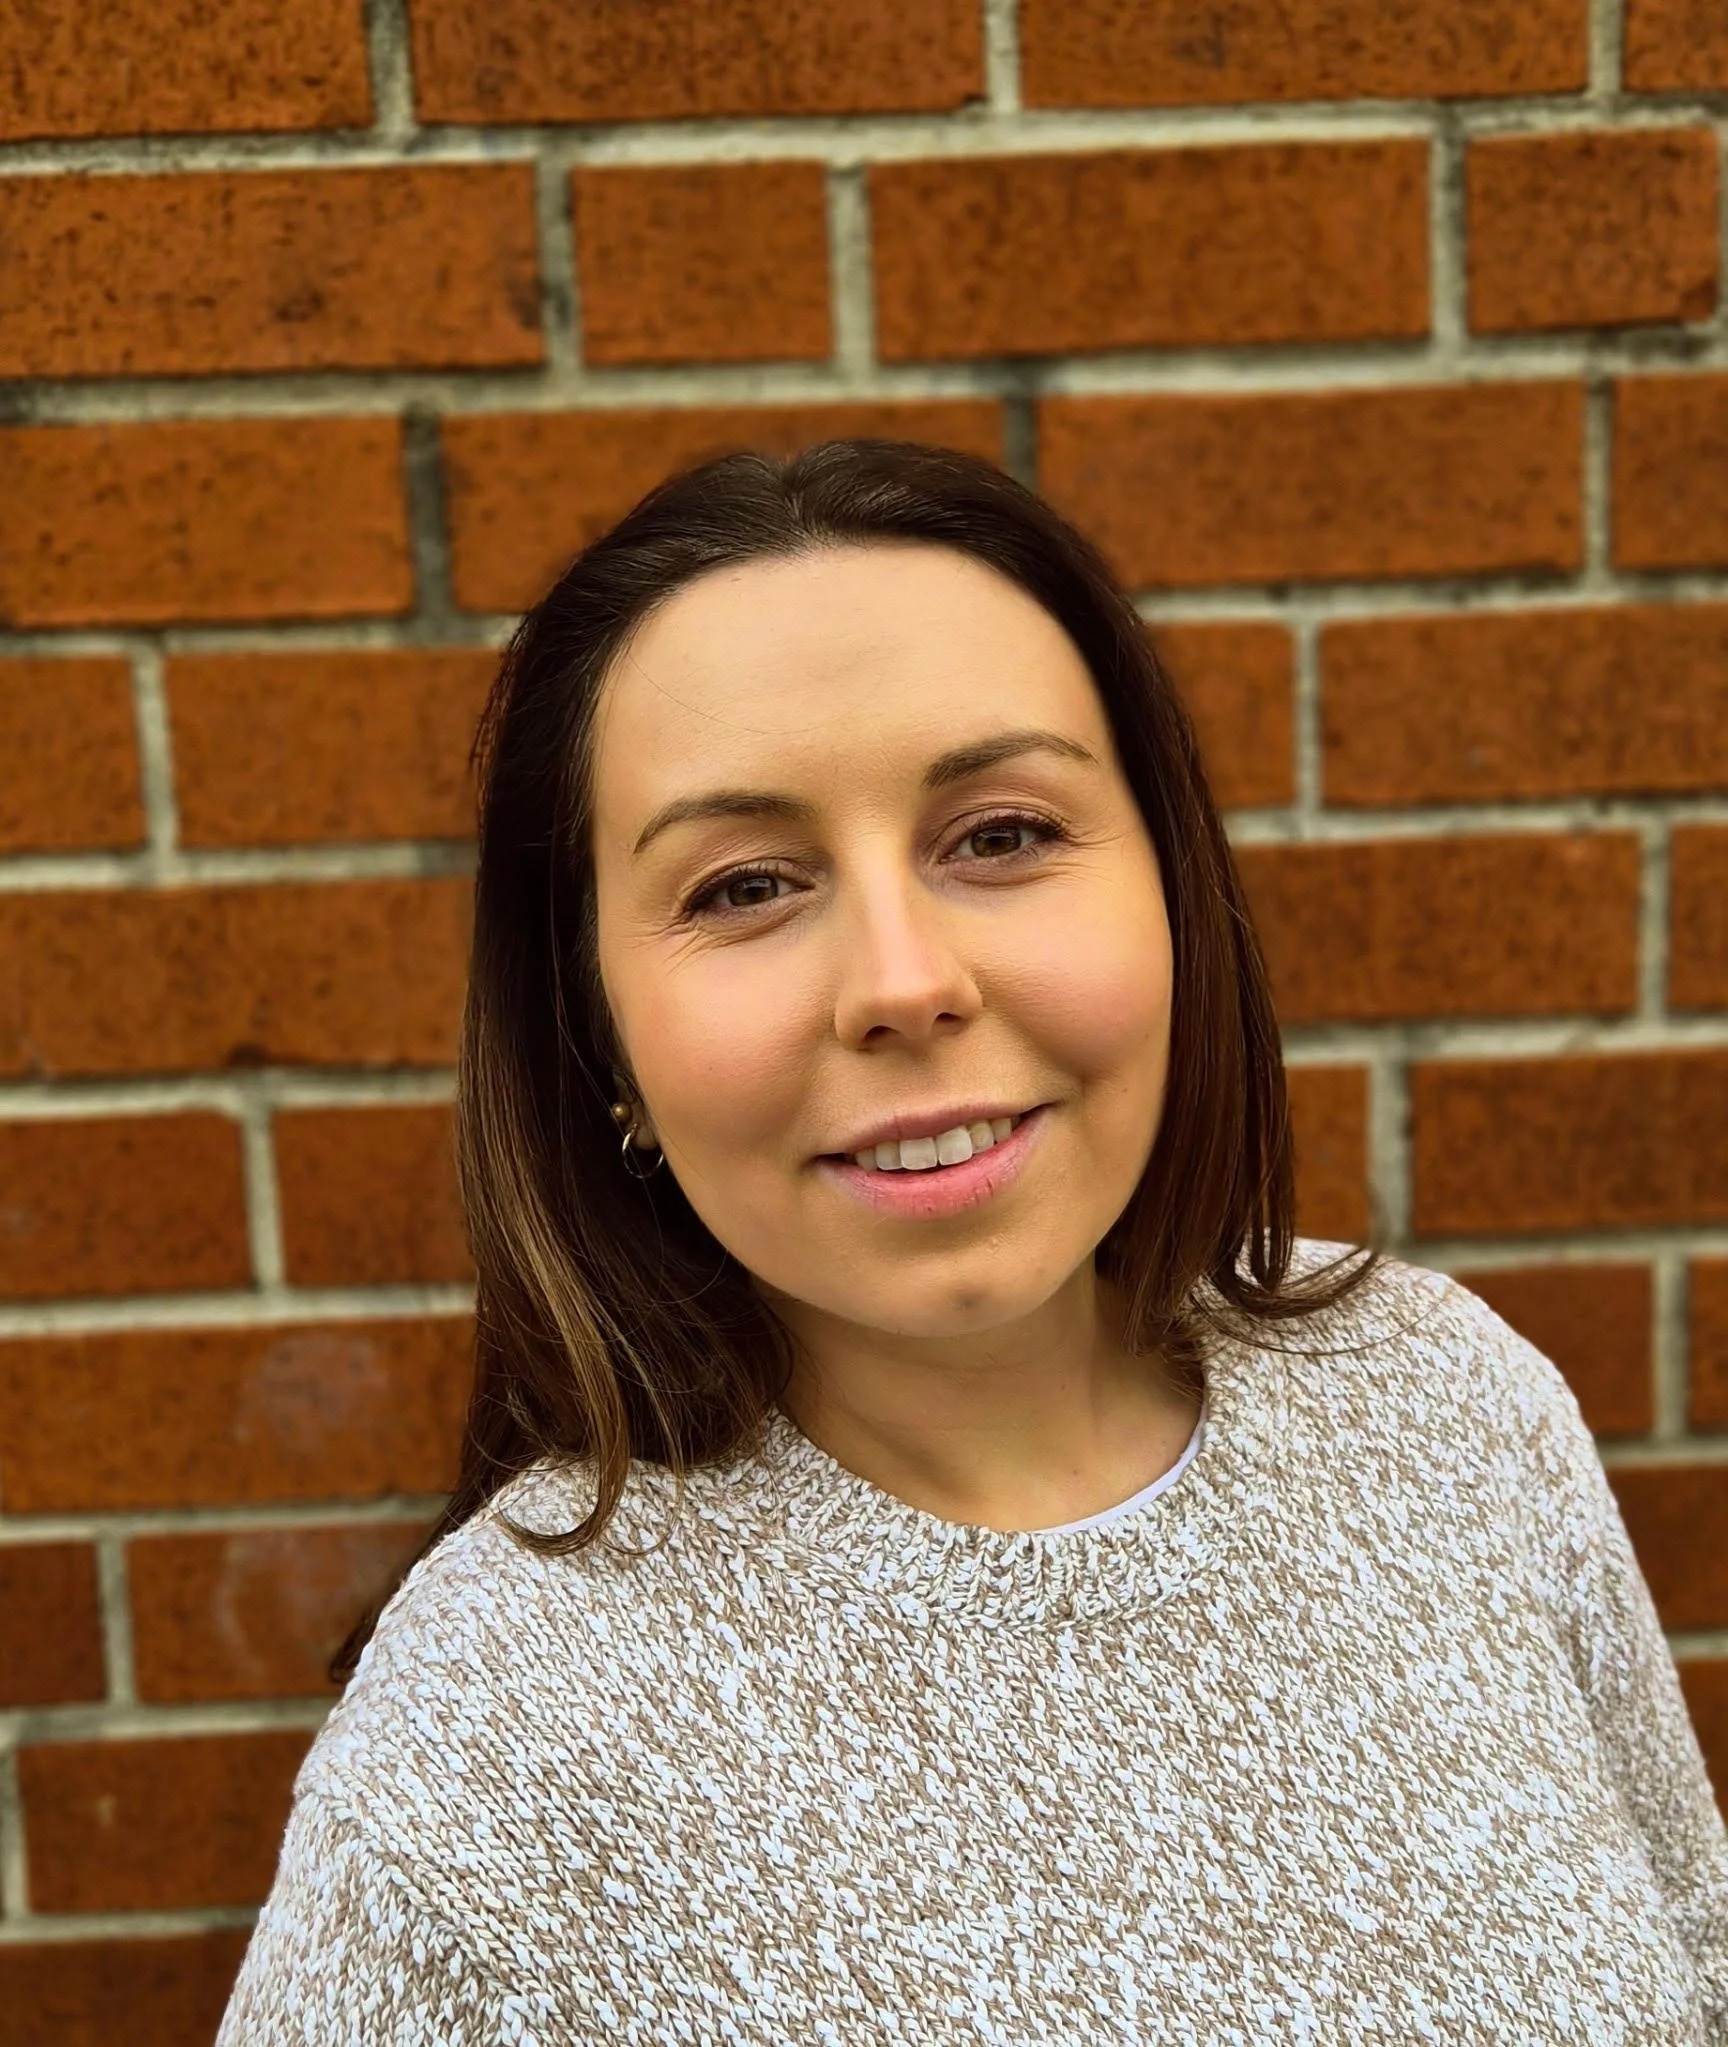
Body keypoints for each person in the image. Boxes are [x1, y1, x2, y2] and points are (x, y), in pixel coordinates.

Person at [218, 439, 1728, 2043]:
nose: (902, 977)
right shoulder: (487, 1745)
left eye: (1000, 835)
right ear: (600, 1044)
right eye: (742, 884)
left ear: (1170, 888)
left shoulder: (1443, 1402)